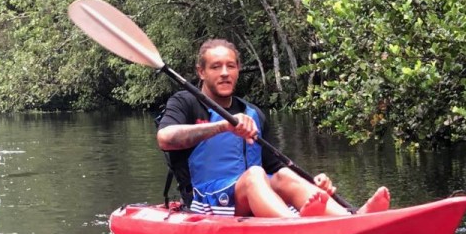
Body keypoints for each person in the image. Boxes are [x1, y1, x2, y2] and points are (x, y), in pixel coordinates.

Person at [156, 38, 390, 218]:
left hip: (251, 193)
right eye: (216, 67)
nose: (225, 73)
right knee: (255, 175)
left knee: (284, 175)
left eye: (230, 66)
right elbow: (165, 138)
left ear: (238, 70)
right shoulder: (185, 102)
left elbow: (275, 165)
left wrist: (314, 186)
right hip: (204, 201)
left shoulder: (253, 113)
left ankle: (351, 217)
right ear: (201, 72)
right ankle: (293, 225)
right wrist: (221, 127)